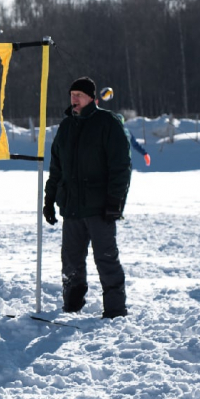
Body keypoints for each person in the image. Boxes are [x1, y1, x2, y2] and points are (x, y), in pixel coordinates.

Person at [43, 77, 132, 319]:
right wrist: (49, 200)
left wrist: (115, 202)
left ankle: (115, 310)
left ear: (92, 97)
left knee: (106, 260)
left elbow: (121, 167)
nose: (74, 99)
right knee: (70, 262)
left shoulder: (107, 123)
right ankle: (72, 306)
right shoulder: (66, 126)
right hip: (71, 207)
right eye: (72, 94)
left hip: (100, 208)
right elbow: (56, 168)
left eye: (79, 95)